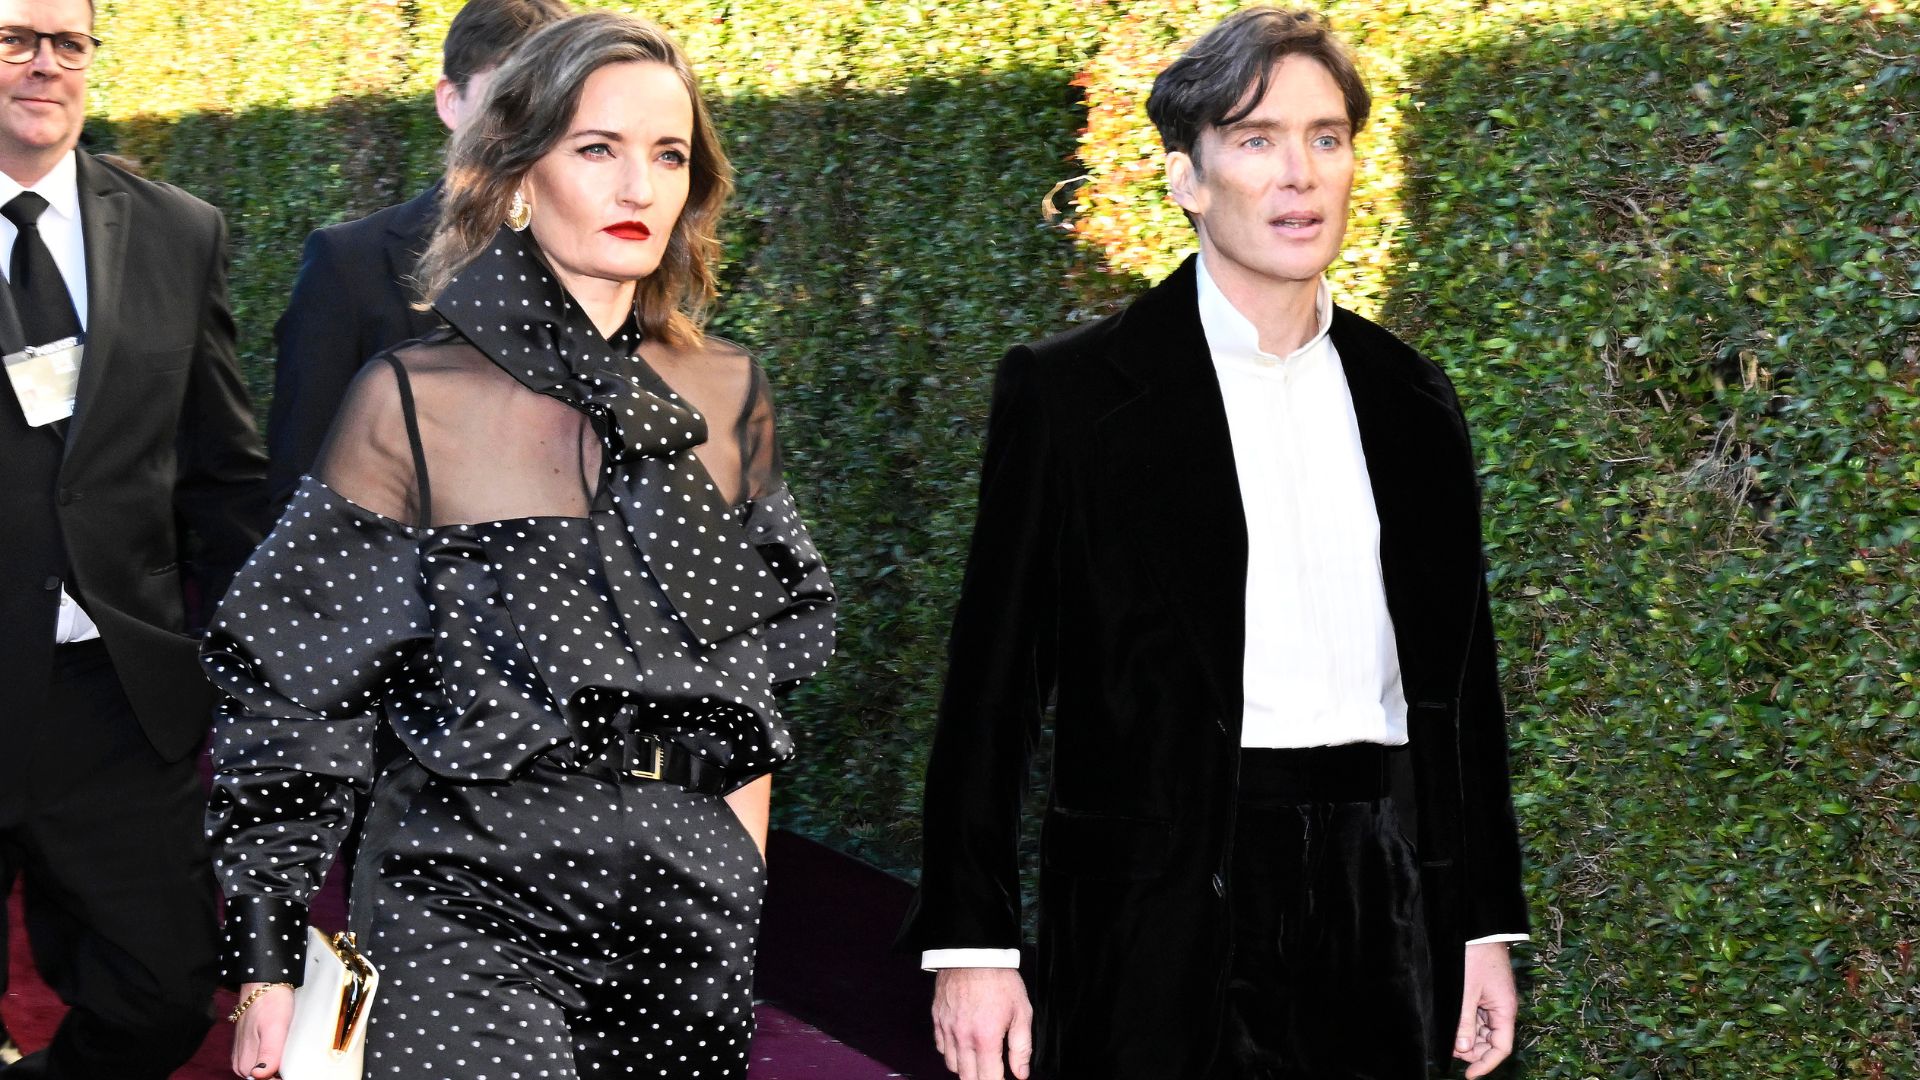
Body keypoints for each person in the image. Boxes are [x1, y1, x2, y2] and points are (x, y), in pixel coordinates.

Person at [899, 8, 1529, 1079]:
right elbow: (994, 685)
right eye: (1256, 139)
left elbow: (1463, 692)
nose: (1300, 174)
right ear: (1187, 178)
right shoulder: (1072, 393)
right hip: (1157, 900)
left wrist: (1480, 927)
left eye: (1326, 138)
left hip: (1383, 895)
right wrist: (975, 942)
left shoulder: (1412, 397)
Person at [205, 11, 835, 1080]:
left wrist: (740, 886)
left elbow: (750, 689)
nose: (638, 186)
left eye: (667, 154)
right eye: (598, 148)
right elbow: (295, 691)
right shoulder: (417, 401)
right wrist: (266, 962)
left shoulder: (727, 394)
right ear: (518, 173)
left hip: (688, 914)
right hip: (467, 892)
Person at [0, 0, 269, 1074]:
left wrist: (265, 664)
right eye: (15, 38)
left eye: (70, 43)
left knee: (161, 995)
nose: (46, 65)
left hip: (114, 699)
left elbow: (222, 475)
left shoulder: (177, 230)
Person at [263, 0, 570, 509]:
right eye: (508, 100)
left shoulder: (603, 263)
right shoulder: (349, 266)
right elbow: (300, 493)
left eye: (554, 104)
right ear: (450, 102)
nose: (531, 128)